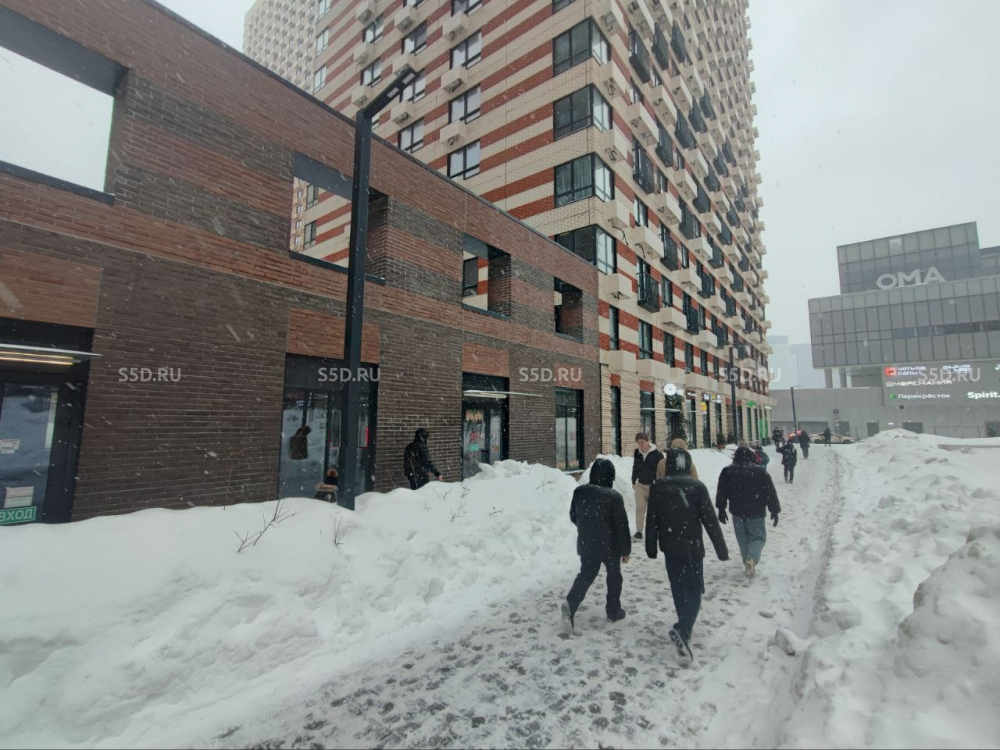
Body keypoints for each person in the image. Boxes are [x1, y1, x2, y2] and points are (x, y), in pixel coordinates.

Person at [646, 448, 729, 665]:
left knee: (678, 585)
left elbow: (651, 519)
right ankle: (683, 628)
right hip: (693, 546)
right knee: (694, 587)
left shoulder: (658, 487)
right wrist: (721, 549)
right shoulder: (697, 487)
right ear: (688, 465)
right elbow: (710, 520)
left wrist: (650, 546)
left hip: (669, 546)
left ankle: (684, 623)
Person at [562, 458, 631, 632]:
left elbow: (573, 516)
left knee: (586, 575)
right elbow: (621, 526)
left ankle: (571, 604)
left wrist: (588, 529)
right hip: (610, 546)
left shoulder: (580, 492)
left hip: (587, 544)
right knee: (614, 577)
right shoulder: (613, 497)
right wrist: (625, 550)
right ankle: (613, 611)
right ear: (610, 476)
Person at [716, 446, 781, 579]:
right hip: (756, 511)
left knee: (742, 538)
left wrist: (721, 509)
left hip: (737, 511)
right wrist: (774, 510)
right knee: (758, 537)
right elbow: (769, 492)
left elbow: (721, 492)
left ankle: (748, 560)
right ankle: (751, 559)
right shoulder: (760, 471)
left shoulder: (727, 471)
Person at [631, 432, 663, 540]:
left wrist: (660, 484)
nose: (640, 445)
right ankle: (639, 531)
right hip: (640, 485)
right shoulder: (637, 453)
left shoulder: (657, 454)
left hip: (653, 486)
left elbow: (661, 470)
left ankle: (655, 531)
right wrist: (633, 481)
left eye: (642, 442)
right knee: (640, 508)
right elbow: (635, 467)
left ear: (647, 441)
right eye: (638, 443)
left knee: (653, 510)